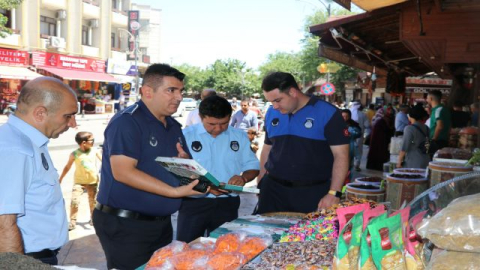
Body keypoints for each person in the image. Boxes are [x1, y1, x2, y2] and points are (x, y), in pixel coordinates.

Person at [93, 64, 206, 270]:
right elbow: (123, 172)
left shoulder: (173, 126)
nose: (179, 97)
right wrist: (174, 192)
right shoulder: (127, 122)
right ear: (147, 92)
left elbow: (174, 169)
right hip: (126, 224)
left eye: (180, 91)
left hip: (160, 223)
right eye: (171, 90)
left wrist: (192, 172)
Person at [0, 77, 78, 265]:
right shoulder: (15, 150)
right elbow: (3, 224)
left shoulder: (29, 141)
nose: (73, 123)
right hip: (27, 259)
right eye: (68, 116)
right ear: (41, 113)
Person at [256, 72, 349, 214]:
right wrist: (261, 181)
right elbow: (267, 148)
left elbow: (341, 155)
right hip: (273, 191)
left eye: (278, 100)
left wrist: (334, 193)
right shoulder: (271, 113)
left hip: (313, 192)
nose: (274, 106)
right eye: (271, 102)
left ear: (293, 92)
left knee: (308, 236)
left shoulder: (328, 113)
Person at [177, 96, 260, 243]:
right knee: (187, 249)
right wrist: (206, 188)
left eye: (224, 123)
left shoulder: (239, 136)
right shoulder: (185, 136)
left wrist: (243, 178)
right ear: (201, 117)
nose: (218, 128)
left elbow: (252, 166)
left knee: (225, 249)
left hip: (227, 204)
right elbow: (179, 172)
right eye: (212, 124)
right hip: (193, 203)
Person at [59, 131, 102, 231]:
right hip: (79, 182)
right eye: (92, 140)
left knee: (93, 202)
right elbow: (67, 167)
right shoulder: (74, 154)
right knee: (75, 201)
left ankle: (93, 218)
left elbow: (104, 162)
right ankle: (72, 221)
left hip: (93, 182)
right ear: (83, 143)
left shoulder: (94, 151)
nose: (93, 142)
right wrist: (60, 178)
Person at [366, 107, 395, 171]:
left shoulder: (384, 121)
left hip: (383, 140)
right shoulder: (381, 122)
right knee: (378, 152)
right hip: (379, 140)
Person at [341, 109, 361, 181]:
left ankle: (347, 182)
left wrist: (350, 130)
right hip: (339, 149)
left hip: (350, 149)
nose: (345, 118)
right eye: (343, 116)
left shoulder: (353, 125)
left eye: (347, 116)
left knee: (348, 167)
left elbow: (358, 134)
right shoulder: (336, 124)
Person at [349, 101, 369, 171]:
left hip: (349, 135)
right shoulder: (363, 115)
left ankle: (349, 164)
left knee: (349, 149)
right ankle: (357, 165)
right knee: (359, 150)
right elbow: (367, 125)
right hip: (359, 135)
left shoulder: (348, 113)